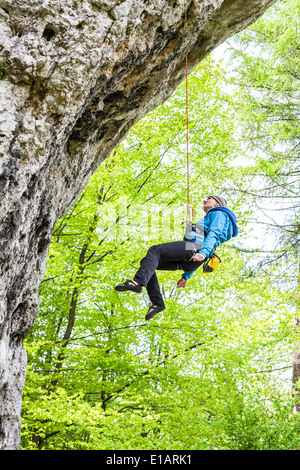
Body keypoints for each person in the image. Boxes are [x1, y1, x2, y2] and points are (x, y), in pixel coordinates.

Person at [115, 195, 238, 321]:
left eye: (209, 199)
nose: (204, 200)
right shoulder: (212, 217)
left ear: (217, 204)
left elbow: (214, 234)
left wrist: (203, 252)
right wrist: (186, 276)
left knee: (155, 250)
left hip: (194, 248)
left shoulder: (219, 213)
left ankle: (136, 282)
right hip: (193, 257)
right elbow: (203, 237)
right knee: (149, 262)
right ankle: (157, 302)